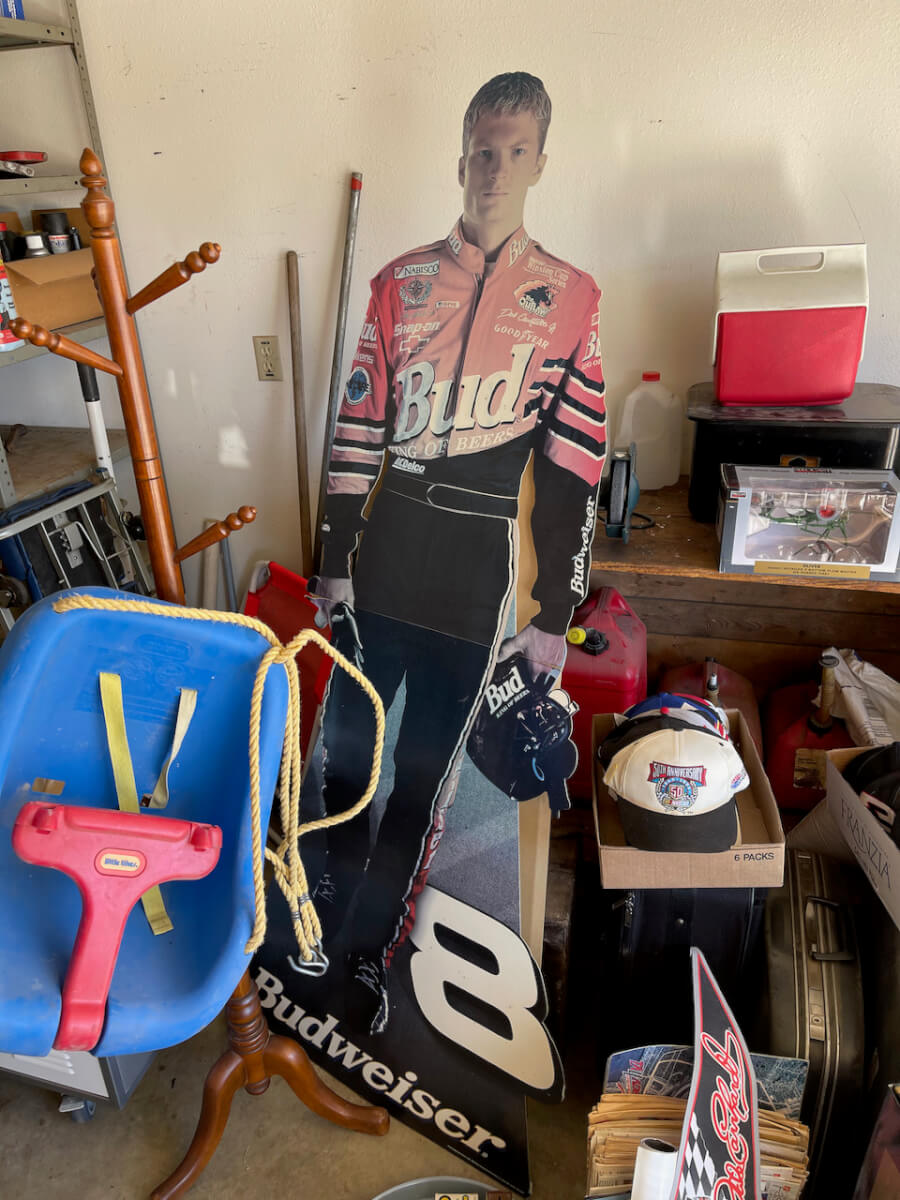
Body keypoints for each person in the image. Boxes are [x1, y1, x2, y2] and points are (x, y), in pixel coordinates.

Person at [310, 71, 606, 1035]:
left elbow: (574, 471)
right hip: (384, 559)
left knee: (422, 781)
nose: (495, 169)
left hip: (476, 579)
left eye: (516, 152)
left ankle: (367, 956)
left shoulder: (570, 299)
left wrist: (554, 617)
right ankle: (322, 917)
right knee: (345, 761)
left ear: (540, 163)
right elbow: (355, 431)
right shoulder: (399, 283)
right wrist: (332, 559)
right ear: (462, 153)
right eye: (483, 148)